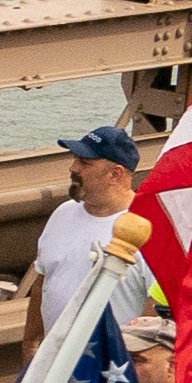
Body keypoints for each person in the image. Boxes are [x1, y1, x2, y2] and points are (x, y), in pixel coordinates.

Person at [29, 122, 141, 306]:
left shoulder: (145, 227)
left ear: (115, 174)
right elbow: (42, 283)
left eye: (84, 163)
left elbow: (158, 307)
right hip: (55, 336)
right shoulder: (62, 214)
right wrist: (34, 336)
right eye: (75, 159)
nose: (73, 168)